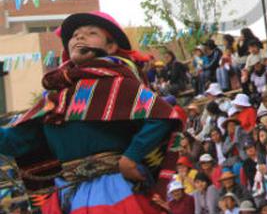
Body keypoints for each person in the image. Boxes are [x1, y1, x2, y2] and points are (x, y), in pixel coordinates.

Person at [0, 11, 184, 213]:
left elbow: (163, 115)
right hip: (67, 195)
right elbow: (14, 141)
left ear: (111, 46)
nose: (79, 36)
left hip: (113, 192)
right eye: (75, 35)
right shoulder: (53, 100)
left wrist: (131, 157)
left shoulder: (120, 84)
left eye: (91, 32)